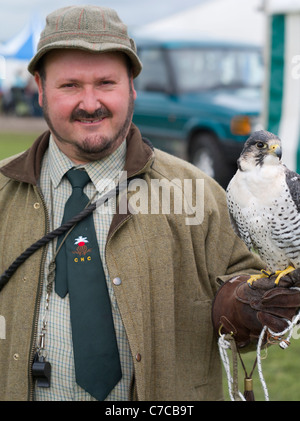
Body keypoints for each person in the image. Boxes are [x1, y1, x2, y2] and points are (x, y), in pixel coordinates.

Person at [0, 5, 299, 402]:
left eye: (106, 83)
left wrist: (243, 307)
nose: (90, 103)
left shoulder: (202, 194)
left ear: (132, 88)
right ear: (39, 89)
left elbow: (248, 287)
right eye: (70, 85)